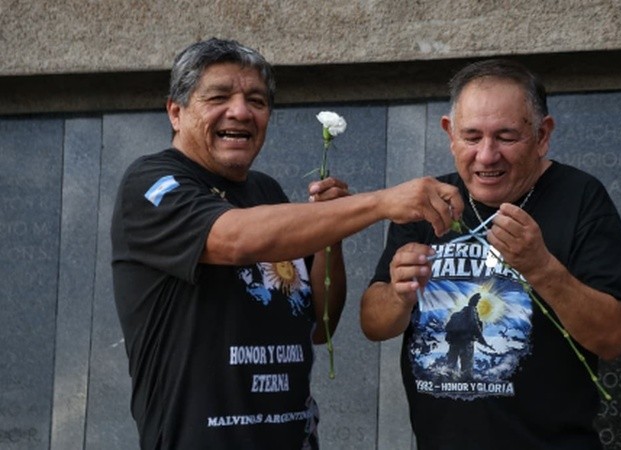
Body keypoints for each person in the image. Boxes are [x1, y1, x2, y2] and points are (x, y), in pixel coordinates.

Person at [111, 37, 463, 450]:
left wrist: (331, 234)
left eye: (257, 101)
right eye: (219, 97)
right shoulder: (153, 183)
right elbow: (234, 238)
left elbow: (320, 324)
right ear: (176, 111)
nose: (241, 111)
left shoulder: (267, 192)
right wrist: (381, 202)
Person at [360, 59, 621, 449]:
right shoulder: (428, 201)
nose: (487, 156)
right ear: (450, 134)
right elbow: (374, 325)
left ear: (542, 135)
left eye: (506, 137)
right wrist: (398, 294)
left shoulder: (581, 198)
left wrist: (541, 268)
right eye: (472, 137)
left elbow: (611, 338)